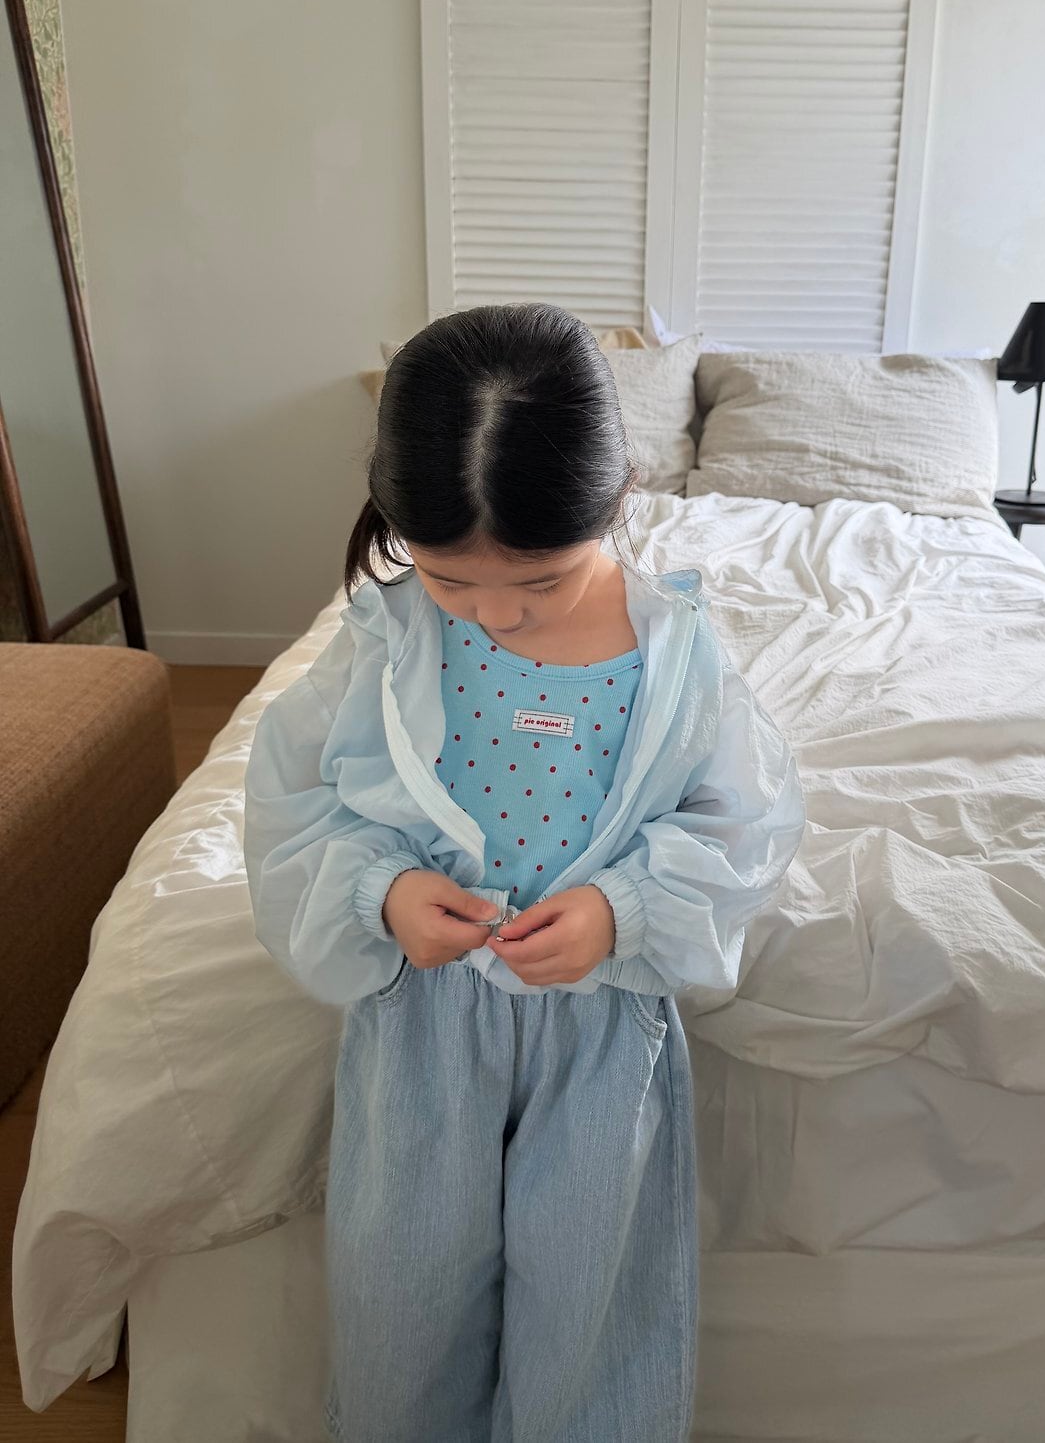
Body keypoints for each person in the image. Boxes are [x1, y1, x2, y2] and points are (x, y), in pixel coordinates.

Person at [241, 302, 806, 1443]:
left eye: (538, 582)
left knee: (591, 1309)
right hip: (420, 1025)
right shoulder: (383, 640)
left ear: (615, 498)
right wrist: (380, 891)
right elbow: (292, 805)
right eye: (450, 579)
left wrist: (622, 908)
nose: (493, 612)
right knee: (401, 1295)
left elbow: (744, 823)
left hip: (601, 1030)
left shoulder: (674, 654)